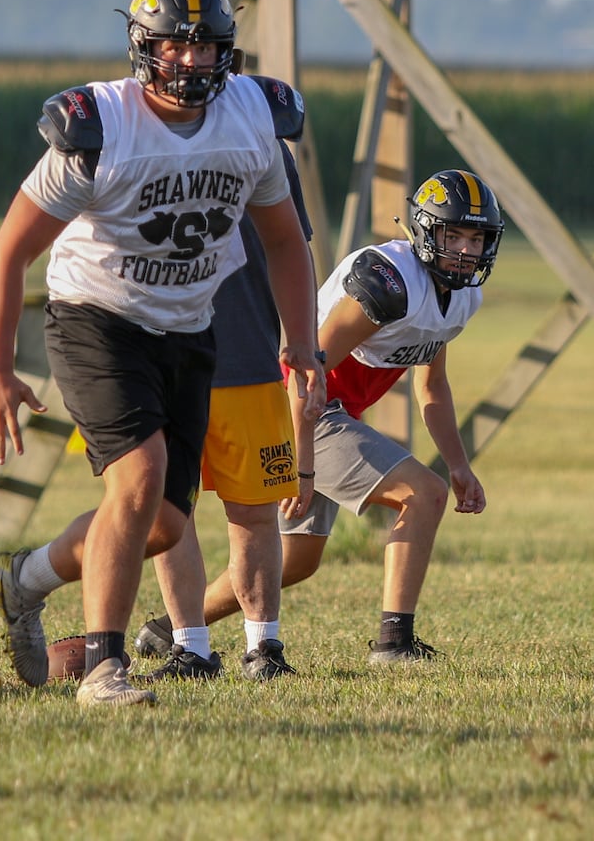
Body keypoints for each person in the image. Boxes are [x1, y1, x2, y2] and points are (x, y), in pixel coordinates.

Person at [0, 0, 325, 707]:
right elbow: (10, 251)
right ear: (143, 45)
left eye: (208, 47)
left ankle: (25, 578)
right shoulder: (101, 127)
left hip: (187, 325)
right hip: (96, 317)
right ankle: (104, 667)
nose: (192, 62)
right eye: (175, 46)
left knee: (160, 524)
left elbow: (288, 244)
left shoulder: (253, 118)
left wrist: (302, 346)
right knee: (136, 484)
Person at [161, 170, 502, 666]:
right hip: (300, 406)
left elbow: (433, 385)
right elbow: (305, 370)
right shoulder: (391, 282)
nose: (466, 251)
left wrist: (460, 464)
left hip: (331, 412)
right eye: (455, 236)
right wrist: (301, 464)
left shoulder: (463, 297)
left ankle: (159, 628)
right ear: (428, 232)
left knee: (297, 561)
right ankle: (394, 642)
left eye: (477, 238)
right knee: (422, 493)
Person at [130, 140, 315, 683]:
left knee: (256, 512)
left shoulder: (263, 144)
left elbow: (291, 248)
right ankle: (190, 645)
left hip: (248, 355)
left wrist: (303, 342)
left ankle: (265, 646)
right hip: (165, 356)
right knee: (170, 511)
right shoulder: (138, 131)